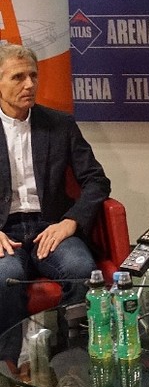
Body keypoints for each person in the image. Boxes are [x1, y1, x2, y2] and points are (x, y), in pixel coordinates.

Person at [0, 44, 110, 369]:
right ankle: (9, 363)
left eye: (33, 76)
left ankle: (69, 356)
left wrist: (71, 221)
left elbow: (96, 180)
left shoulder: (60, 124)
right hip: (5, 232)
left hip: (51, 227)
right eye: (18, 77)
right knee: (5, 278)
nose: (29, 84)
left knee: (80, 270)